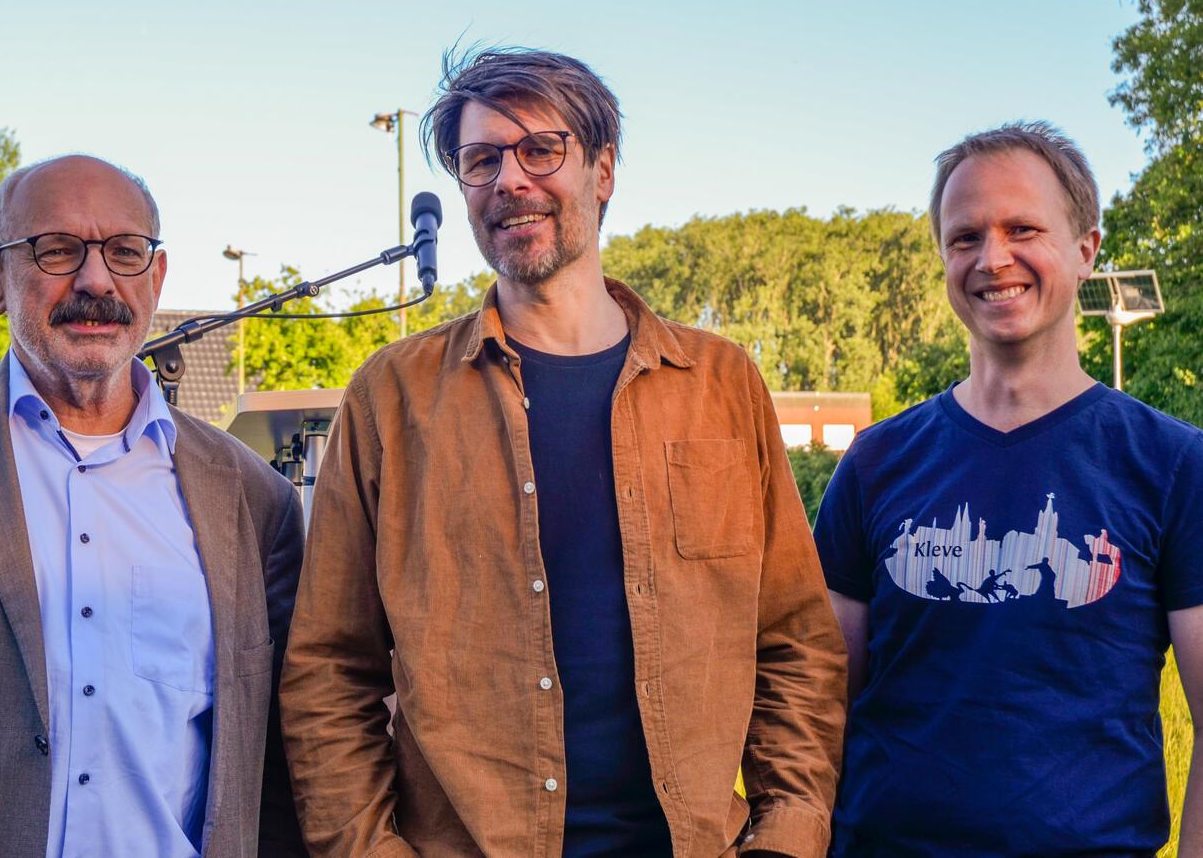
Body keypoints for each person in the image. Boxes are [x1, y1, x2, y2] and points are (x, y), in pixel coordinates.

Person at [281, 47, 846, 857]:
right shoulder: (391, 398)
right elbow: (330, 669)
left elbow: (795, 642)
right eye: (482, 160)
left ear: (603, 170)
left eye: (541, 149)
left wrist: (785, 833)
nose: (510, 179)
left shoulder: (722, 383)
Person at [0, 155, 305, 857]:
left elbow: (278, 771)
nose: (96, 280)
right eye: (58, 250)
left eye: (124, 252)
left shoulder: (255, 501)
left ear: (156, 278)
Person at [814, 121, 1203, 856]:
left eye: (1022, 229)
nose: (993, 259)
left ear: (1085, 249)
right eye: (965, 237)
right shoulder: (874, 463)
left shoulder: (1174, 464)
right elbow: (818, 709)